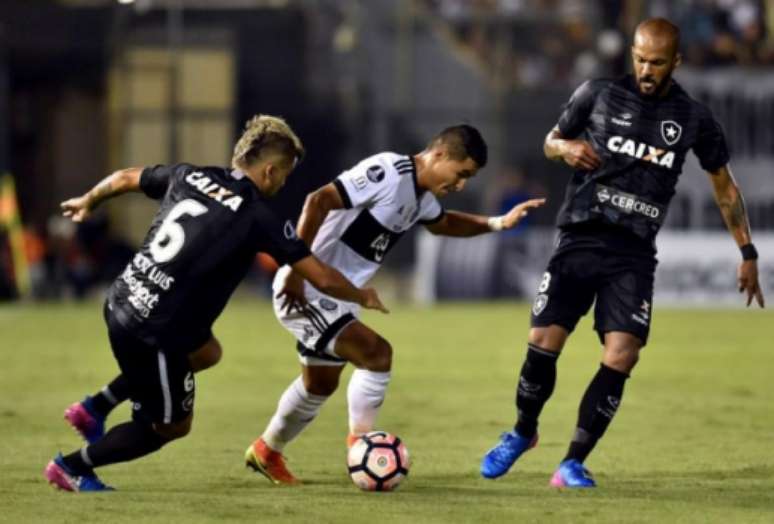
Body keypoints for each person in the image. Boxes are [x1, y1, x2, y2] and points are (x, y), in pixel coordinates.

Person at [480, 18, 765, 488]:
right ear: (631, 54)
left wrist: (748, 251)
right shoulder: (596, 94)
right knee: (543, 341)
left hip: (632, 253)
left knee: (622, 354)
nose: (646, 69)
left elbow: (725, 187)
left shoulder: (694, 119)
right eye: (640, 59)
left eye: (656, 62)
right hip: (579, 237)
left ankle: (572, 461)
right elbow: (551, 141)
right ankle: (522, 432)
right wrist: (566, 150)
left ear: (676, 61)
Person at [44, 115, 388, 492]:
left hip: (122, 299)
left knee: (207, 352)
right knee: (169, 426)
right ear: (270, 170)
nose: (284, 182)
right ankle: (73, 467)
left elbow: (126, 176)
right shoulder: (257, 216)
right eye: (285, 174)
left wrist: (89, 200)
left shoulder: (189, 175)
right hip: (154, 332)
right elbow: (319, 276)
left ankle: (96, 406)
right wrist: (361, 295)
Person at [244, 124, 545, 485]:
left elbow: (445, 223)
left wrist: (498, 223)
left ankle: (266, 451)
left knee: (319, 385)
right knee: (376, 354)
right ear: (440, 155)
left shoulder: (423, 198)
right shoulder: (388, 171)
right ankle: (361, 448)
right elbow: (318, 200)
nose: (460, 184)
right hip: (308, 287)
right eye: (461, 173)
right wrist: (296, 270)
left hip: (338, 296)